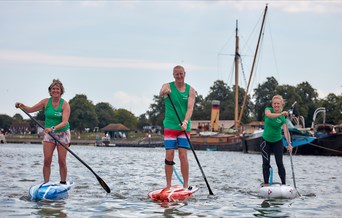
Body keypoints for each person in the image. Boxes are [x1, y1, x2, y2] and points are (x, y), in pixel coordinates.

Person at [15, 79, 71, 184]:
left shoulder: (65, 105)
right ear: (50, 91)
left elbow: (64, 122)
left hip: (62, 133)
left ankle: (63, 182)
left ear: (61, 91)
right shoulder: (45, 102)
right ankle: (46, 183)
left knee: (62, 161)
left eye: (57, 89)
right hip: (49, 134)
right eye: (53, 89)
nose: (55, 91)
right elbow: (31, 109)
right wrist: (21, 105)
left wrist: (53, 128)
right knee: (47, 160)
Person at [159, 65, 196, 190]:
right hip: (170, 125)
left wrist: (185, 121)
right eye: (176, 74)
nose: (179, 76)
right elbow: (161, 92)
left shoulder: (191, 90)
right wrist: (164, 92)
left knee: (182, 155)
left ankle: (185, 184)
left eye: (181, 74)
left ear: (184, 74)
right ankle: (168, 185)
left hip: (184, 127)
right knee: (169, 155)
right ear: (173, 75)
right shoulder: (168, 86)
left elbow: (190, 108)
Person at [261, 95, 293, 186]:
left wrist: (289, 144)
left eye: (278, 104)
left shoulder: (283, 119)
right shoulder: (268, 110)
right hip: (265, 141)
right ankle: (266, 183)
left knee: (279, 163)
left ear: (281, 104)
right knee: (266, 163)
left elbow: (286, 132)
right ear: (272, 104)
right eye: (274, 103)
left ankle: (284, 184)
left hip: (277, 141)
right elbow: (269, 116)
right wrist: (281, 114)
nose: (276, 105)